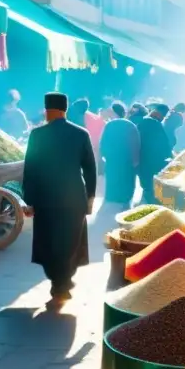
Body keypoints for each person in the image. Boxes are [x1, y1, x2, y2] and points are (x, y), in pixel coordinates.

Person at [22, 92, 97, 304]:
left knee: (48, 240)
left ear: (47, 110)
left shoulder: (37, 135)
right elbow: (90, 169)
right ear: (65, 110)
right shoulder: (80, 134)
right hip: (73, 196)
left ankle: (59, 282)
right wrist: (90, 198)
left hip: (45, 197)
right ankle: (63, 281)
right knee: (70, 240)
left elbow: (30, 170)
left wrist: (29, 201)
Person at [101, 101, 140, 205]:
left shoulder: (109, 125)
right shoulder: (130, 125)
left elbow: (103, 143)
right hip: (127, 161)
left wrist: (105, 156)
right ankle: (125, 198)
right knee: (126, 180)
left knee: (112, 179)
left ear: (115, 112)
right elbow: (135, 145)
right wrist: (135, 160)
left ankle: (112, 196)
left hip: (112, 160)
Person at [137, 103, 172, 204]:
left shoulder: (142, 123)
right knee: (151, 191)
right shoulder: (156, 125)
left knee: (146, 189)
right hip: (155, 164)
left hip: (142, 161)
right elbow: (165, 145)